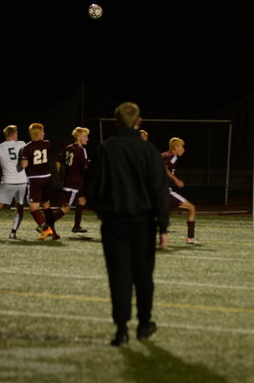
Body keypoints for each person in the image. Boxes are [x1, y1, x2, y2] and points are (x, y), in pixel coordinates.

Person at [84, 102, 170, 347]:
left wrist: (103, 212)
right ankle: (144, 324)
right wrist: (163, 227)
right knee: (143, 276)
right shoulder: (149, 150)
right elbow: (160, 190)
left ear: (117, 121)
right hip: (143, 223)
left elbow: (89, 187)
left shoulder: (105, 149)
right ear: (138, 121)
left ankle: (121, 329)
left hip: (114, 222)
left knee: (118, 276)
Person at [20, 123, 57, 240]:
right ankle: (54, 233)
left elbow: (24, 165)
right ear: (38, 134)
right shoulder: (47, 143)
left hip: (35, 179)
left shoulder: (26, 148)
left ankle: (46, 229)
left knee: (34, 208)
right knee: (46, 207)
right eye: (42, 132)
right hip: (47, 178)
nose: (44, 134)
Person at [52, 127, 90, 233]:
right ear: (78, 137)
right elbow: (85, 166)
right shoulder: (82, 150)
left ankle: (76, 226)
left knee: (82, 201)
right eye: (85, 136)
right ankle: (46, 224)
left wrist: (60, 173)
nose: (87, 138)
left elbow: (57, 160)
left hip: (70, 181)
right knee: (66, 208)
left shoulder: (68, 147)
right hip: (74, 183)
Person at [161, 137, 198, 244]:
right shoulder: (172, 156)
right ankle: (190, 238)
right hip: (163, 191)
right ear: (175, 147)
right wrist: (176, 180)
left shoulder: (164, 154)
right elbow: (164, 169)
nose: (183, 149)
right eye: (182, 147)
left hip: (153, 190)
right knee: (191, 208)